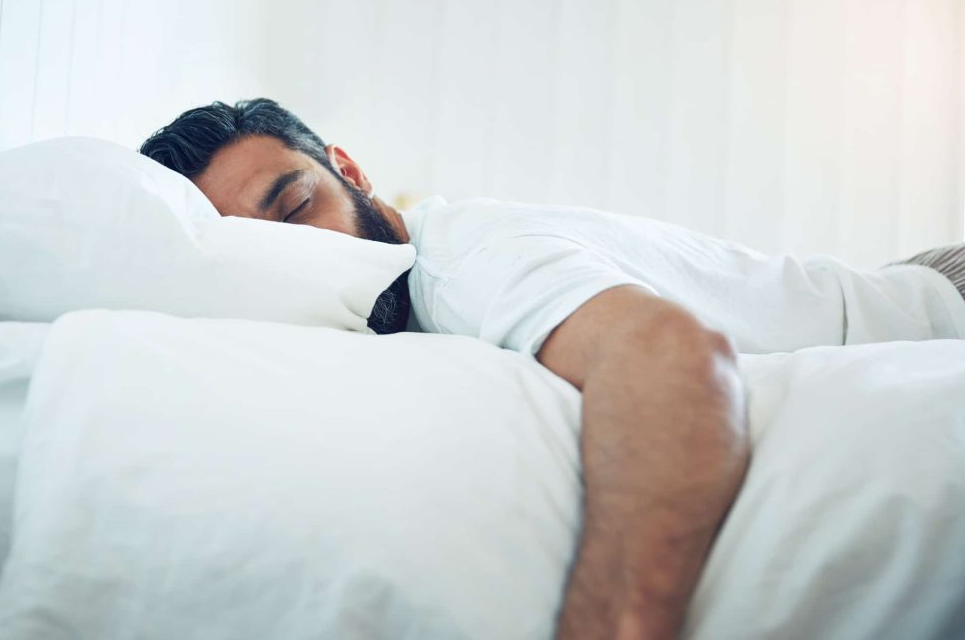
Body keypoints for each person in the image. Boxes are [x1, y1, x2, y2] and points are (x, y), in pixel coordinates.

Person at [140, 98, 965, 640]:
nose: (305, 250)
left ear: (349, 171)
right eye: (266, 245)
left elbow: (673, 361)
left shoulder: (457, 263)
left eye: (297, 204)